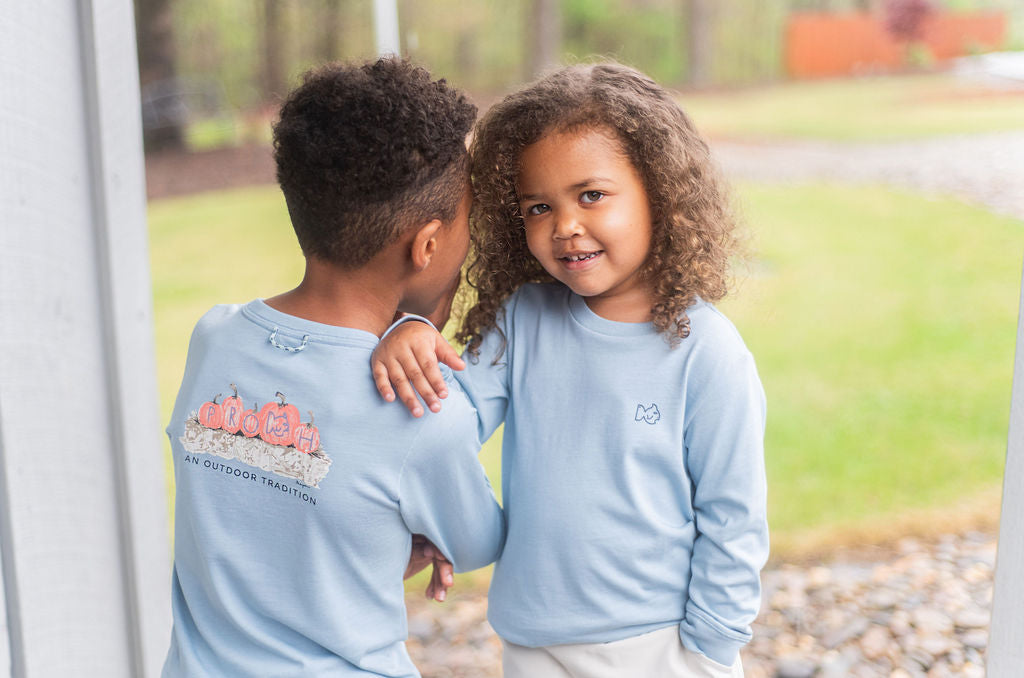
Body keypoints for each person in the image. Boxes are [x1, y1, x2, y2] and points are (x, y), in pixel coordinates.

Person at [372, 62, 768, 678]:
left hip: (660, 646)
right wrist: (409, 331)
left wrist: (712, 648)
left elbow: (733, 516)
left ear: (659, 192)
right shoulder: (522, 320)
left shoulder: (705, 351)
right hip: (533, 641)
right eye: (537, 207)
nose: (565, 226)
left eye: (591, 195)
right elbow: (444, 420)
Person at [162, 57, 504, 678]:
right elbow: (478, 542)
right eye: (467, 223)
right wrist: (417, 533)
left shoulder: (214, 339)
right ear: (426, 244)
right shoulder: (420, 409)